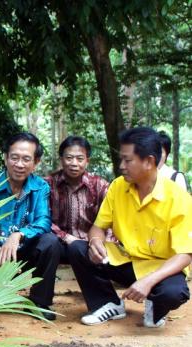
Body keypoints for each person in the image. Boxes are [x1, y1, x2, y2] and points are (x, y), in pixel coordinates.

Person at [69, 127, 191, 327]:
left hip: (161, 269)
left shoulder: (178, 198)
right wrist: (96, 241)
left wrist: (149, 281)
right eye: (121, 160)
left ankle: (156, 307)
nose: (121, 166)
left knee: (174, 293)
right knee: (77, 249)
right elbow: (98, 227)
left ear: (149, 161)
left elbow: (185, 254)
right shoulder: (118, 186)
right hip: (126, 260)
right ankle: (108, 303)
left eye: (128, 160)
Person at [0, 132, 57, 320]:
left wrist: (18, 234)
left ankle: (39, 302)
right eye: (14, 158)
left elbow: (44, 221)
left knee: (51, 242)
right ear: (5, 157)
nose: (19, 164)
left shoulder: (40, 186)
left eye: (26, 159)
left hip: (23, 252)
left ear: (36, 162)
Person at [44, 136, 110, 262]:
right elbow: (42, 219)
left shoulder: (100, 185)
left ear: (87, 161)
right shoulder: (47, 185)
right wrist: (66, 237)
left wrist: (105, 244)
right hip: (58, 244)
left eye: (80, 159)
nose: (74, 163)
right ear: (61, 159)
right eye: (69, 158)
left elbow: (111, 220)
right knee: (46, 242)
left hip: (90, 245)